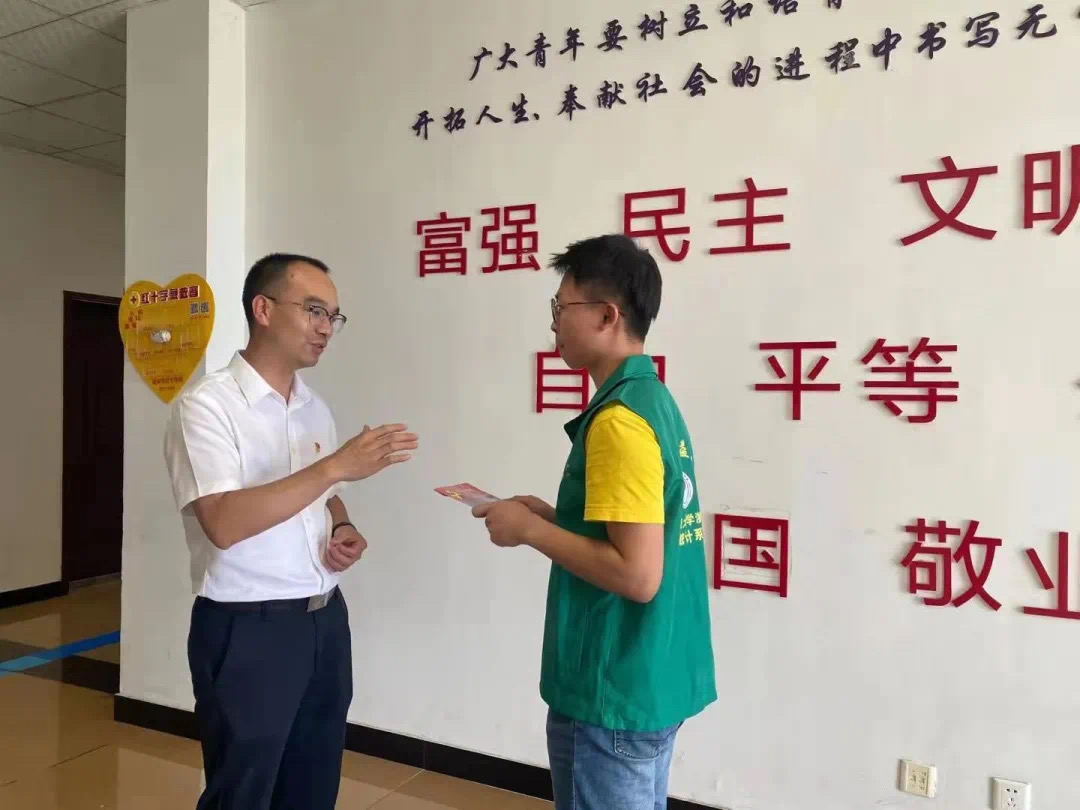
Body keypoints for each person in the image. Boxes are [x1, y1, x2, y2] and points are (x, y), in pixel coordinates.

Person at [163, 253, 418, 810]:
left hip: (324, 620)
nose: (326, 328)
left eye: (334, 316)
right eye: (314, 310)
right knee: (244, 792)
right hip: (248, 628)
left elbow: (322, 494)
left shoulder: (311, 407)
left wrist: (342, 522)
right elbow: (222, 522)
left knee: (312, 785)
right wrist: (335, 466)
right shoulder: (206, 407)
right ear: (263, 309)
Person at [472, 234, 716, 810]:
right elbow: (638, 530)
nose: (554, 323)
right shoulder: (651, 400)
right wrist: (552, 517)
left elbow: (637, 575)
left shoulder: (618, 421)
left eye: (562, 307)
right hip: (650, 674)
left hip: (613, 689)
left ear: (607, 316)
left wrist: (529, 532)